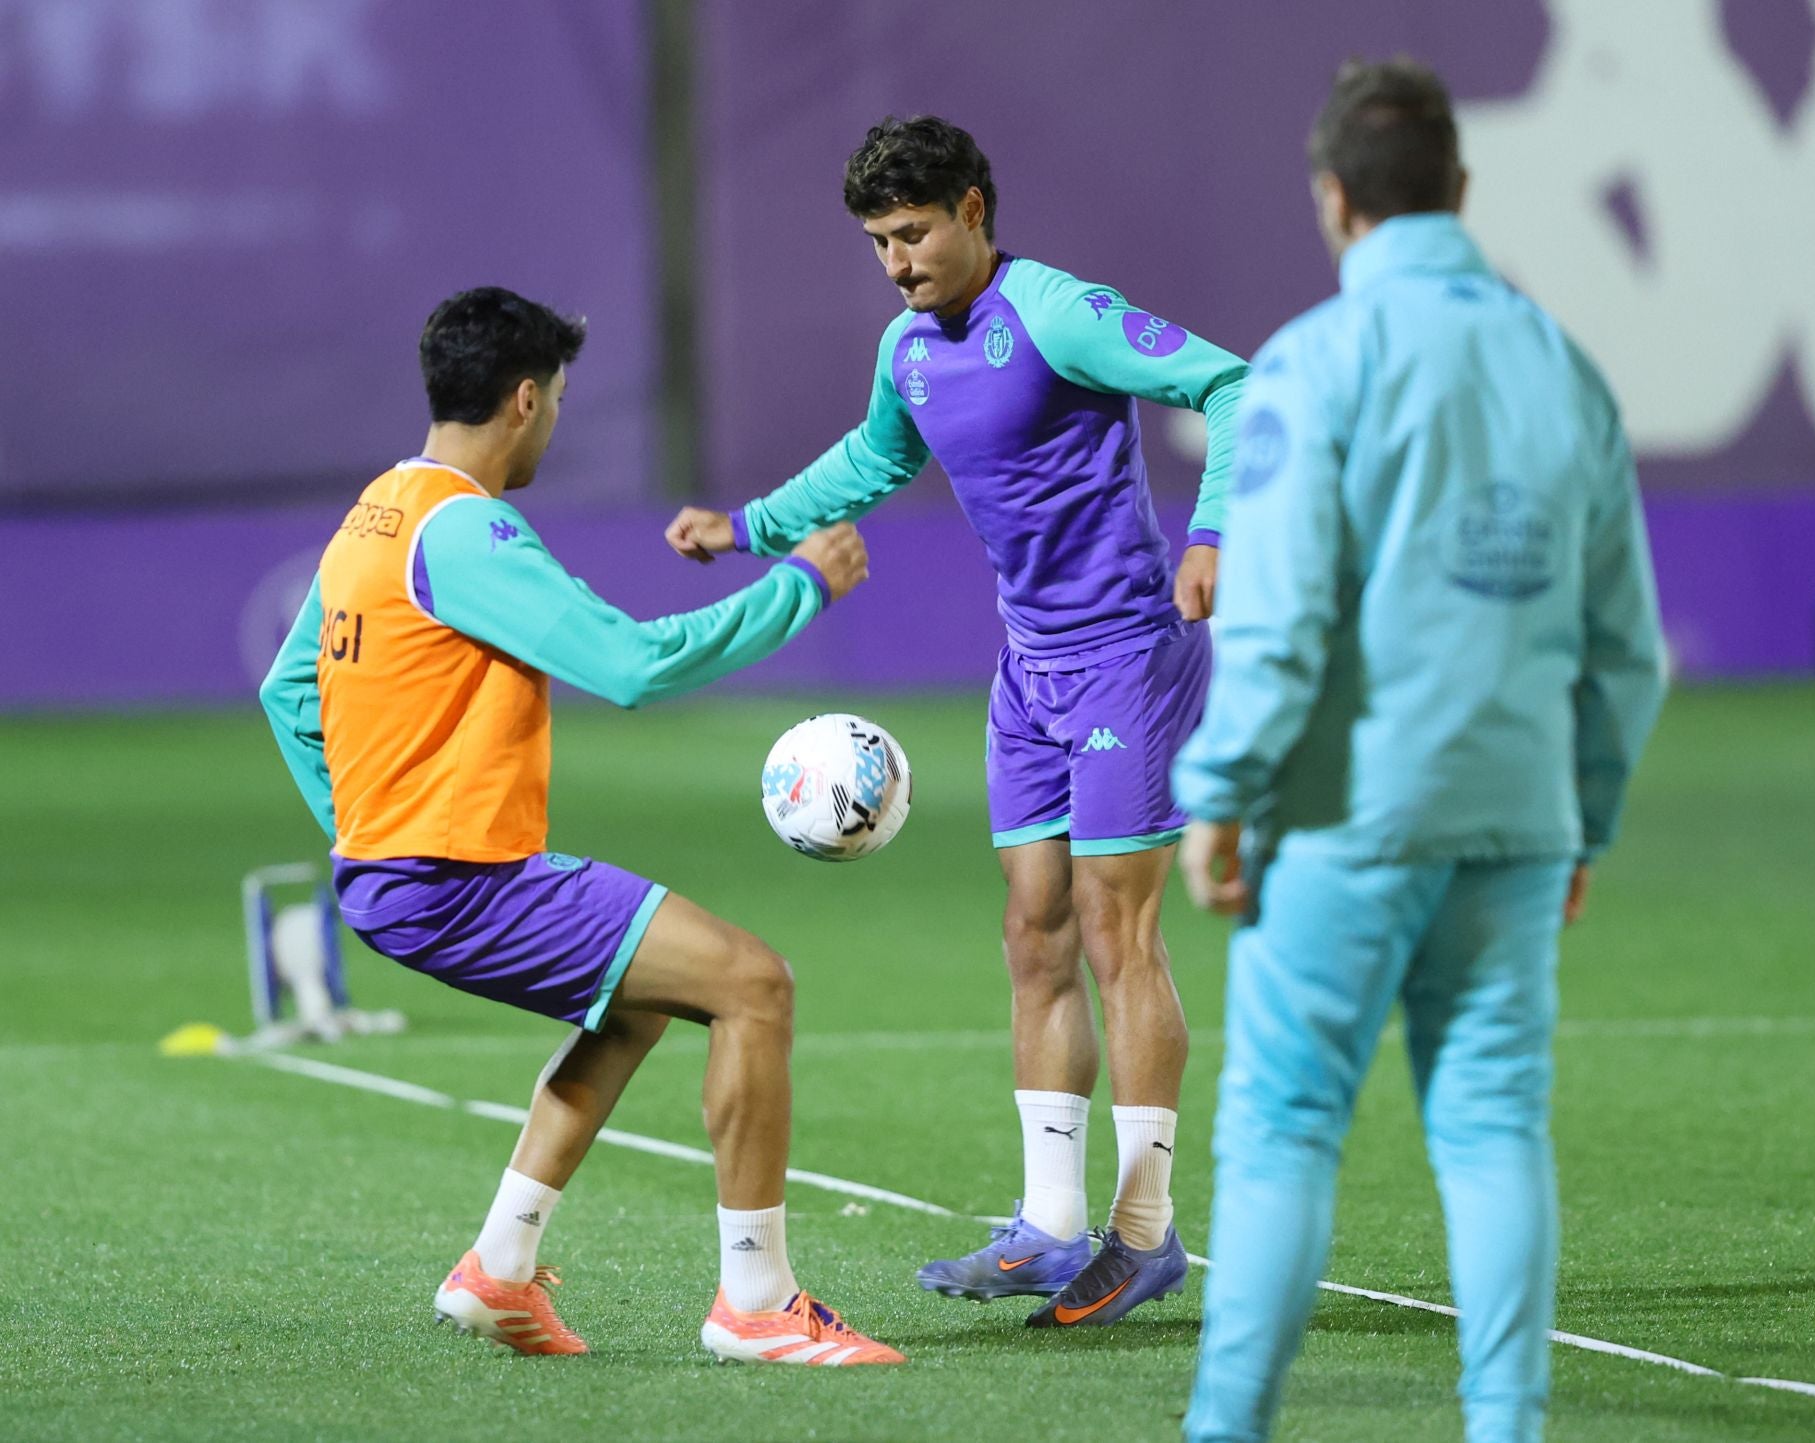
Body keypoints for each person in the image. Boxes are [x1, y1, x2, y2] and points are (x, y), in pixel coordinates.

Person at [666, 116, 1249, 1327]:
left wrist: (1212, 534)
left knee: (1113, 929)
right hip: (1027, 674)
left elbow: (1230, 383)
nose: (898, 260)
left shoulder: (1060, 312)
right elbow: (869, 462)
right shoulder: (909, 350)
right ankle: (1048, 1225)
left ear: (975, 210)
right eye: (880, 240)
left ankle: (1143, 1234)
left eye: (916, 232)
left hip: (1126, 660)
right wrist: (750, 526)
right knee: (1033, 932)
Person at [259, 286, 904, 1366]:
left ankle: (498, 1273)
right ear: (524, 399)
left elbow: (289, 694)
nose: (555, 418)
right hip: (454, 878)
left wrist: (363, 830)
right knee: (754, 985)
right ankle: (757, 1302)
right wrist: (799, 589)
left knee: (639, 1001)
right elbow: (631, 664)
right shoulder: (466, 530)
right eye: (555, 399)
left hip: (409, 871)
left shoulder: (375, 510)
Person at [1173, 61, 1666, 1443]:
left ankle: (1229, 1426)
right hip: (1517, 817)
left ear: (1334, 201)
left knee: (1282, 1130)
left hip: (1344, 815)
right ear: (1461, 188)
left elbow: (1278, 621)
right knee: (1495, 1126)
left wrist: (1218, 792)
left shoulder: (1314, 365)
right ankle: (1507, 1424)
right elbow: (1628, 647)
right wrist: (1588, 817)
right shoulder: (1564, 365)